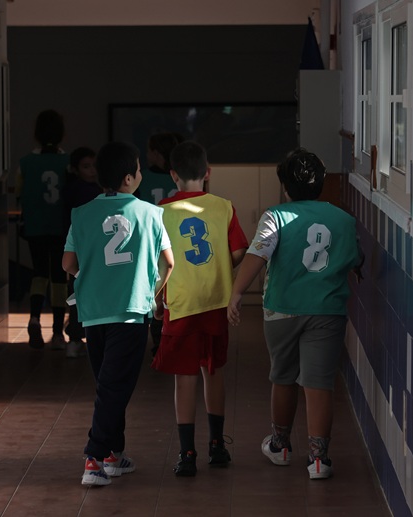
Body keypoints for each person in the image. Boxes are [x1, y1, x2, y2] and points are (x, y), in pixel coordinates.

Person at [227, 148, 363, 480]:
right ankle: (319, 459)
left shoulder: (276, 216)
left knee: (283, 376)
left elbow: (257, 256)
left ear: (286, 187)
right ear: (321, 184)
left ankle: (281, 445)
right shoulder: (344, 220)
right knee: (319, 384)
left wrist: (237, 292)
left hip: (281, 310)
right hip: (327, 311)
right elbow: (356, 261)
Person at [62, 141, 174, 487]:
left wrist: (92, 280)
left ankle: (114, 453)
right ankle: (94, 459)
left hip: (93, 312)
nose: (141, 174)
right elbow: (168, 262)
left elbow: (68, 263)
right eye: (139, 170)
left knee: (109, 384)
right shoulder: (151, 214)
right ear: (128, 179)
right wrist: (153, 293)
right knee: (114, 386)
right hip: (130, 311)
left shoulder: (80, 214)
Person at [151, 141, 248, 477]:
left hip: (181, 303)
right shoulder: (224, 207)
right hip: (216, 303)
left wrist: (158, 300)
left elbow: (160, 265)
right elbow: (239, 253)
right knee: (214, 370)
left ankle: (187, 451)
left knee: (184, 377)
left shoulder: (161, 210)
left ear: (173, 175)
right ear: (208, 173)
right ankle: (218, 446)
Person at [16, 109, 70, 350]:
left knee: (39, 273)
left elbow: (19, 194)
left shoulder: (26, 163)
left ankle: (34, 318)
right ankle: (58, 331)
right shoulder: (67, 162)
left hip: (35, 226)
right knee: (59, 277)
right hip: (61, 227)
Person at [137, 132, 184, 355]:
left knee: (155, 288)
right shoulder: (178, 178)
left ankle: (158, 340)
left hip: (150, 242)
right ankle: (169, 336)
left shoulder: (143, 177)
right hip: (177, 241)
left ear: (155, 153)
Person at [61, 146, 103, 358]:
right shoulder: (90, 192)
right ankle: (77, 337)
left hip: (79, 251)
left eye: (94, 166)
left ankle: (75, 338)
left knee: (77, 294)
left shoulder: (71, 190)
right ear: (75, 169)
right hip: (86, 251)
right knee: (80, 295)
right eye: (86, 167)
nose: (92, 171)